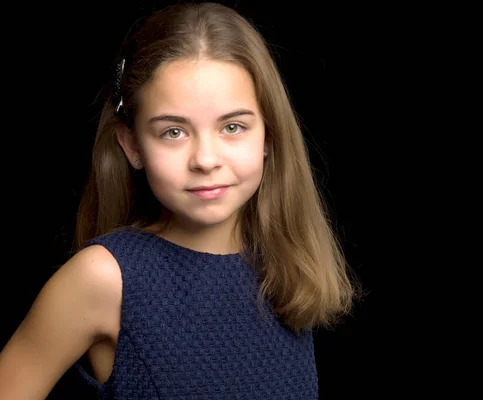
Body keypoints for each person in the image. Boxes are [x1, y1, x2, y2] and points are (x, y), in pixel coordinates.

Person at [0, 1, 359, 399]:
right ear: (133, 146)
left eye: (233, 126)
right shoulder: (103, 279)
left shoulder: (285, 266)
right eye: (173, 132)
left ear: (268, 138)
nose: (205, 160)